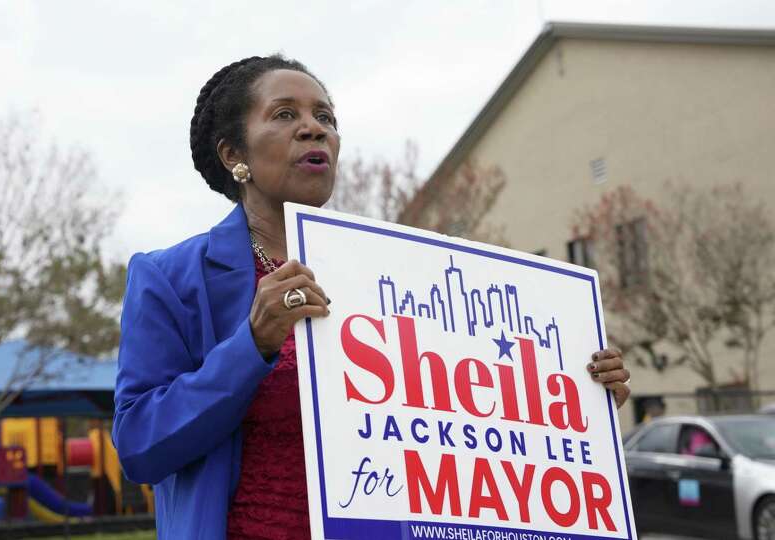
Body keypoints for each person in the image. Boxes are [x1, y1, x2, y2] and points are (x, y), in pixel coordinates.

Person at [111, 54, 632, 540]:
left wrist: (575, 393)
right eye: (285, 114)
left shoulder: (396, 275)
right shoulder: (170, 278)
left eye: (326, 117)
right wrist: (251, 346)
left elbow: (466, 410)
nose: (315, 128)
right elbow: (138, 447)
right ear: (233, 155)